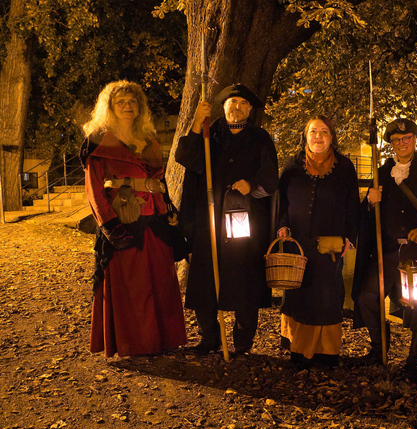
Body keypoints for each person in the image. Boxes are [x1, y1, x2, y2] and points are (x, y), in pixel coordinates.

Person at [81, 80, 187, 358]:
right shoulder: (98, 142)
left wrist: (168, 211)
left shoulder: (149, 140)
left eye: (133, 102)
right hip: (124, 223)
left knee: (162, 284)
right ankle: (138, 344)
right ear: (109, 107)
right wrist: (111, 227)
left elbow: (160, 181)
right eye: (121, 102)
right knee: (134, 289)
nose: (128, 106)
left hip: (156, 223)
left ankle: (165, 340)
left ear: (140, 107)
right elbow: (94, 190)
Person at [352, 118, 417, 378]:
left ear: (415, 139)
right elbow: (366, 216)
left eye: (406, 138)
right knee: (366, 296)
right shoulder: (382, 172)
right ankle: (379, 348)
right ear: (390, 144)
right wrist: (369, 201)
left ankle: (413, 363)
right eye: (396, 140)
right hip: (388, 251)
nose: (401, 143)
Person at [176, 84, 279, 356]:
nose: (237, 107)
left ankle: (242, 342)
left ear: (250, 109)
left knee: (246, 280)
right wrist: (196, 123)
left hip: (245, 224)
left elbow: (270, 179)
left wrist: (252, 184)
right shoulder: (208, 134)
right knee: (206, 279)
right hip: (209, 220)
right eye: (232, 102)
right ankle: (209, 337)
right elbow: (183, 157)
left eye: (243, 103)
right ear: (223, 106)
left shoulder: (260, 138)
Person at [276, 116, 360, 367]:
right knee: (297, 295)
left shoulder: (344, 167)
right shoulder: (293, 165)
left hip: (330, 245)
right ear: (306, 135)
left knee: (326, 297)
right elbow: (281, 201)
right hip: (297, 241)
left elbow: (352, 204)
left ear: (332, 136)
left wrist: (349, 238)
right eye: (313, 131)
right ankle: (298, 350)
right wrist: (282, 225)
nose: (318, 136)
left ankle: (326, 353)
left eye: (324, 131)